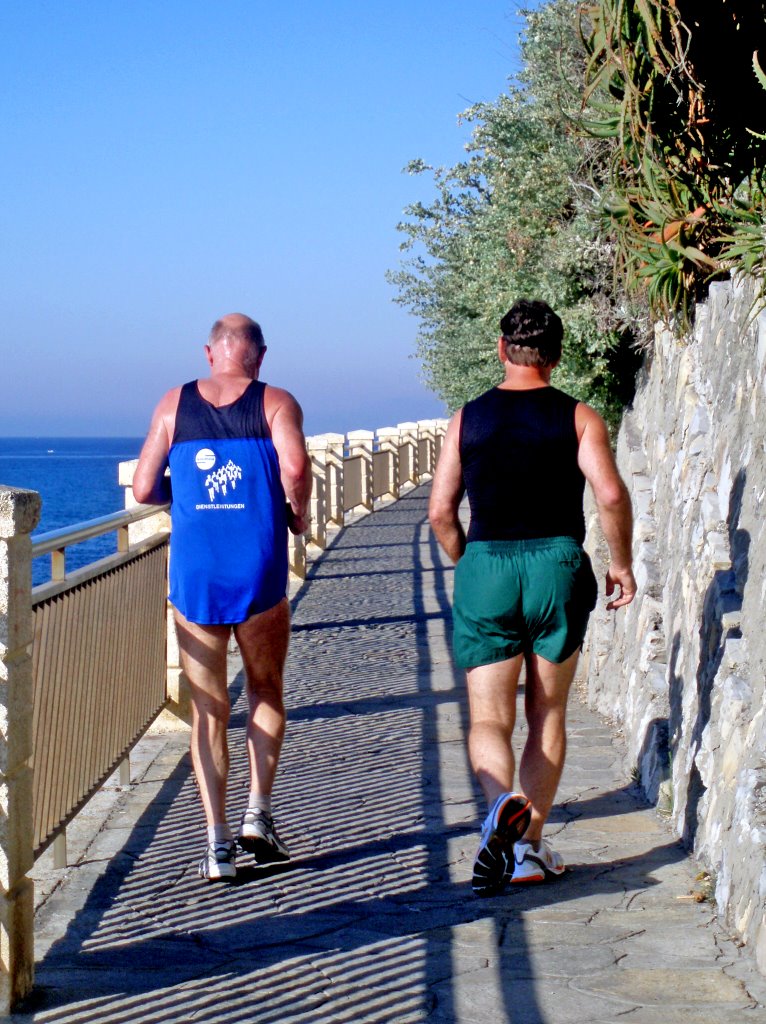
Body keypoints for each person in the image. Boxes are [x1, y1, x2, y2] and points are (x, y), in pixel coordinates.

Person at [428, 299, 636, 896]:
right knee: (546, 712)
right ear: (557, 354)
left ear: (502, 350)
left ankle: (500, 805)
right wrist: (619, 561)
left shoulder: (466, 420)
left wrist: (468, 566)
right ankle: (527, 849)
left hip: (487, 562)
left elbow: (441, 512)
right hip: (556, 564)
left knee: (489, 718)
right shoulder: (579, 417)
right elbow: (611, 495)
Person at [133, 313, 311, 882]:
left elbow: (141, 488)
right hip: (257, 571)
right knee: (265, 689)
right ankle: (258, 815)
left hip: (197, 576)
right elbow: (296, 467)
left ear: (210, 354)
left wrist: (182, 490)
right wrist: (298, 515)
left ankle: (216, 846)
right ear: (258, 356)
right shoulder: (276, 401)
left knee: (207, 709)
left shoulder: (172, 403)